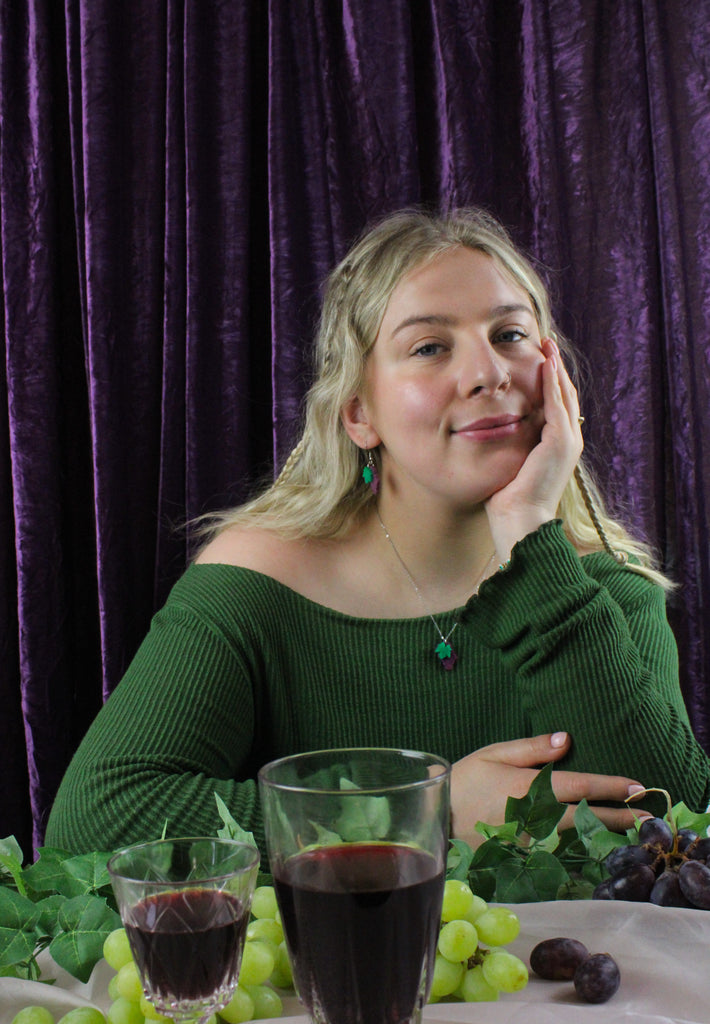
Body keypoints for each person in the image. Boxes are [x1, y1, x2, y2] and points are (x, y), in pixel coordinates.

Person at [46, 207, 710, 860]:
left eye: (510, 335)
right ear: (360, 414)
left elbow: (671, 830)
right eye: (430, 347)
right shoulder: (258, 584)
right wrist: (421, 815)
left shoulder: (605, 594)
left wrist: (530, 536)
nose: (490, 373)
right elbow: (97, 822)